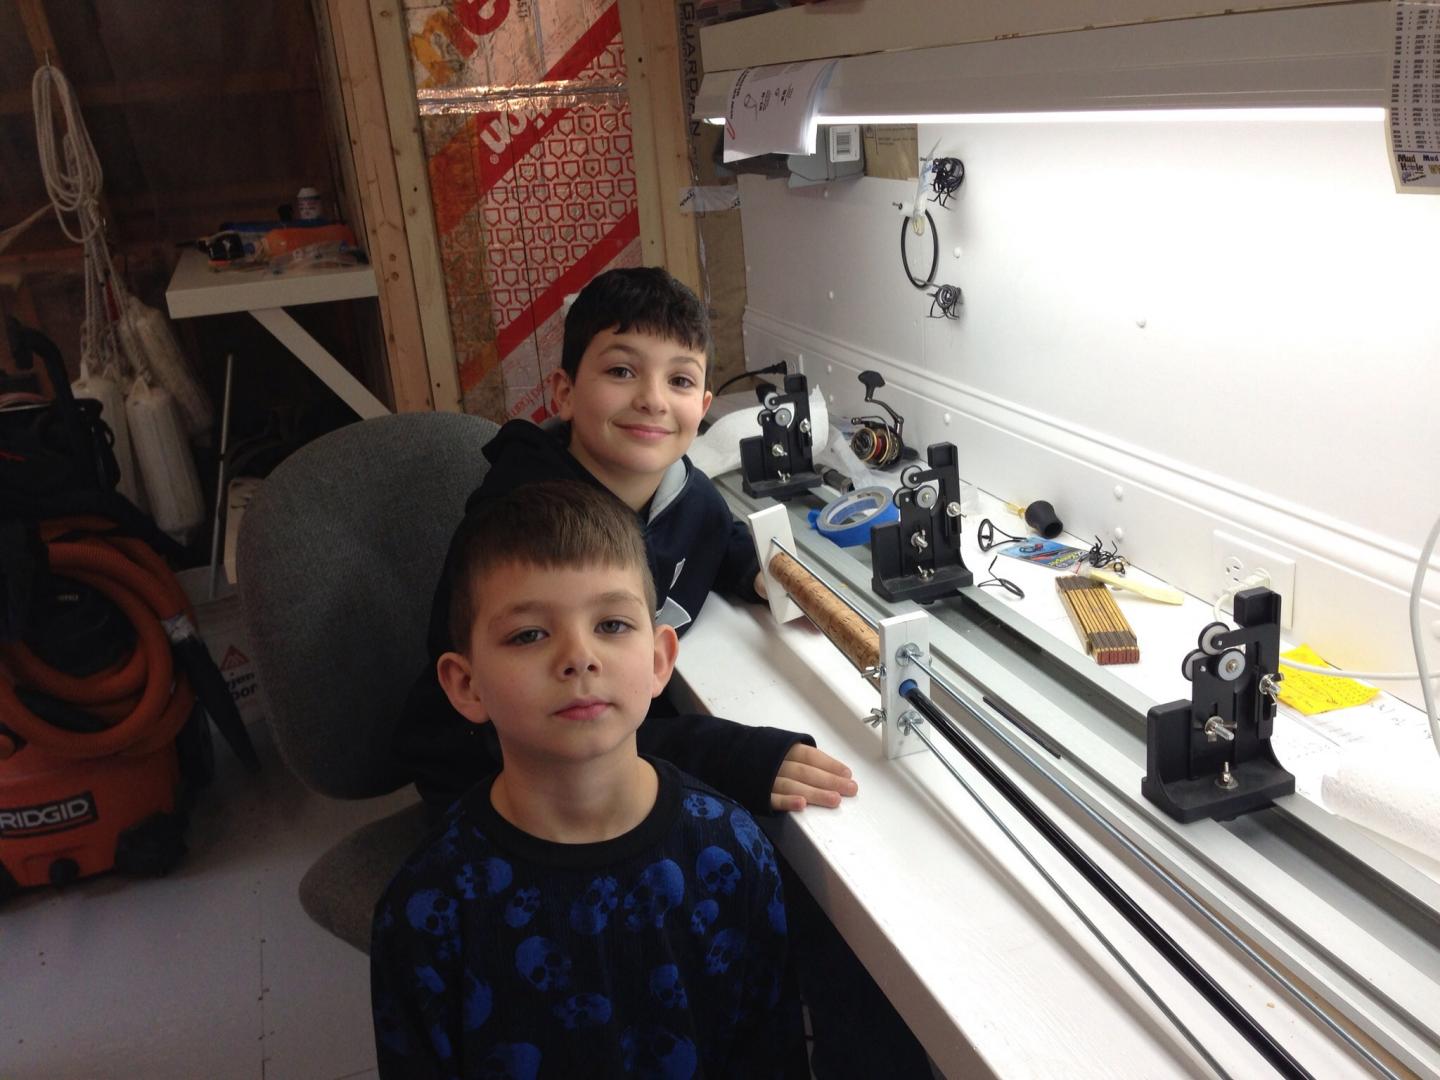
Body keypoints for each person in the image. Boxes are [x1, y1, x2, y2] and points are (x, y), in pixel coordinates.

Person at [371, 482, 804, 1077]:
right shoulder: (426, 909)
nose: (579, 657)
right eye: (529, 634)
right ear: (466, 686)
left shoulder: (733, 855)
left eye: (612, 625)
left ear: (659, 660)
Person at [394, 266, 855, 820]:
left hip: (612, 745)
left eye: (679, 380)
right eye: (621, 370)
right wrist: (726, 755)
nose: (653, 399)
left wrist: (757, 573)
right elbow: (554, 726)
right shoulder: (530, 535)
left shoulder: (687, 493)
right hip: (504, 779)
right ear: (565, 392)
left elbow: (715, 533)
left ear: (703, 406)